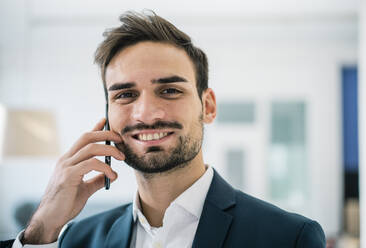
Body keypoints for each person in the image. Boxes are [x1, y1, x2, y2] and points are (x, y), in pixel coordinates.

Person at [0, 10, 326, 248]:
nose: (145, 113)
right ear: (107, 116)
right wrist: (41, 229)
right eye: (125, 95)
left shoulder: (289, 238)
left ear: (208, 106)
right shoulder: (75, 239)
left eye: (169, 90)